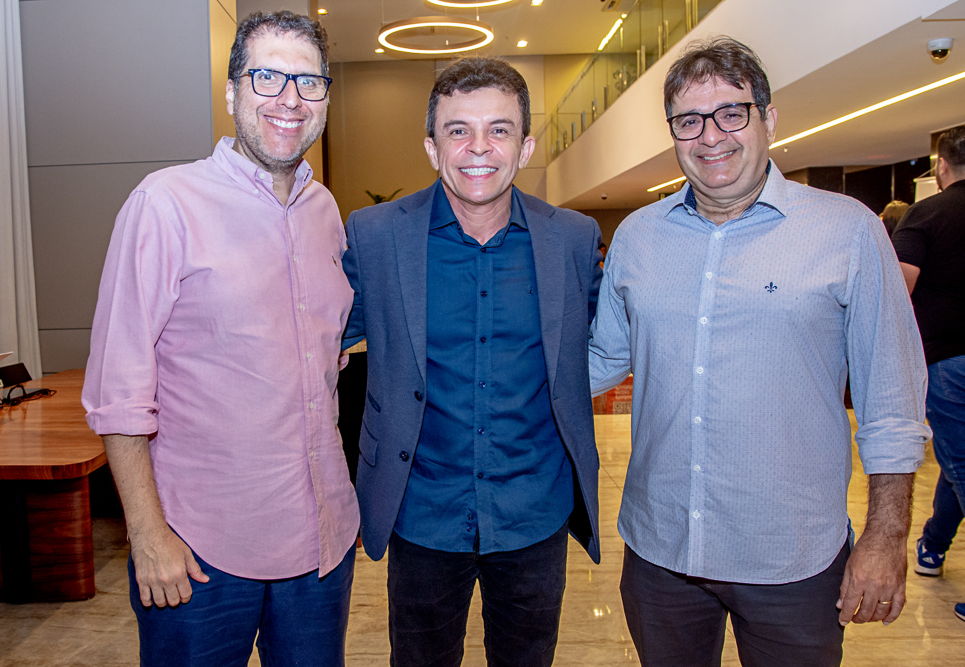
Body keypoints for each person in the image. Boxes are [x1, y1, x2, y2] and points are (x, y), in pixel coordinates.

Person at [588, 37, 930, 666]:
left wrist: (886, 537)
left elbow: (893, 400)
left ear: (768, 118)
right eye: (689, 120)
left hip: (792, 559)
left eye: (731, 113)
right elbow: (603, 359)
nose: (710, 136)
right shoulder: (638, 237)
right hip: (661, 551)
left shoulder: (847, 230)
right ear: (673, 134)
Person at [82, 12, 357, 666]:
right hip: (199, 555)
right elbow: (118, 393)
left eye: (308, 82)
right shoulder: (164, 204)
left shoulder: (327, 212)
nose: (289, 98)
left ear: (324, 100)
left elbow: (326, 358)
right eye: (267, 76)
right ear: (232, 93)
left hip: (321, 547)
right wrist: (147, 535)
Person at [342, 57, 603, 667]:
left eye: (500, 129)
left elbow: (613, 339)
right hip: (423, 510)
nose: (478, 148)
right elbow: (316, 331)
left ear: (526, 144)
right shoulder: (376, 236)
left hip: (534, 513)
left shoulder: (572, 238)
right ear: (432, 147)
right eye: (458, 130)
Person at [893, 125, 965, 627]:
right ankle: (932, 547)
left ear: (941, 166)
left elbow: (898, 290)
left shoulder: (928, 213)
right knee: (962, 464)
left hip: (953, 363)